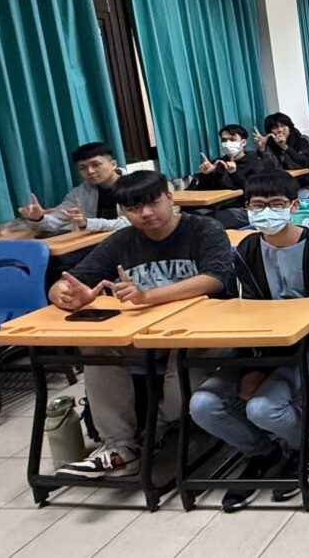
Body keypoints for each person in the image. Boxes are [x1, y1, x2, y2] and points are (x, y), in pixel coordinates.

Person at [49, 171, 234, 477]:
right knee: (95, 347)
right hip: (144, 336)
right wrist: (62, 293)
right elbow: (73, 281)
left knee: (183, 370)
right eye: (134, 208)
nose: (146, 213)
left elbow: (216, 278)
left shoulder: (204, 229)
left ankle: (155, 429)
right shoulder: (122, 241)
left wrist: (148, 296)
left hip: (198, 334)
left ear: (170, 197)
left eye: (153, 203)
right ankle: (120, 446)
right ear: (123, 211)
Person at [189, 171, 309, 511]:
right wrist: (254, 365)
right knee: (202, 405)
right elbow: (246, 313)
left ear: (293, 206)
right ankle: (262, 452)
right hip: (257, 347)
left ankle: (307, 443)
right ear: (247, 208)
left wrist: (263, 370)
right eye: (257, 205)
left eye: (275, 204)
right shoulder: (246, 249)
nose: (266, 212)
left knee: (263, 407)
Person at [18, 142, 129, 236]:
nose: (90, 171)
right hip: (96, 243)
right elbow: (56, 220)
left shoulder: (135, 184)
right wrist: (38, 218)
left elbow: (129, 223)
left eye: (96, 165)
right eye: (82, 168)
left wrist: (87, 223)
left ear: (113, 164)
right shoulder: (79, 193)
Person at [189, 124, 281, 229]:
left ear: (243, 142)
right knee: (188, 216)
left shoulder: (255, 161)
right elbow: (204, 191)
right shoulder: (218, 163)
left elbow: (252, 191)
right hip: (219, 206)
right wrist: (207, 174)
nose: (227, 143)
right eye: (224, 140)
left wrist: (234, 173)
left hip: (245, 208)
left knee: (209, 221)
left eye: (232, 139)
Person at [255, 112, 309, 195]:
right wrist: (262, 149)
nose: (280, 130)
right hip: (278, 186)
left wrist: (285, 147)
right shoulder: (269, 144)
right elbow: (269, 169)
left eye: (283, 126)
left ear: (290, 127)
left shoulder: (303, 140)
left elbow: (307, 163)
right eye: (275, 128)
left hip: (305, 184)